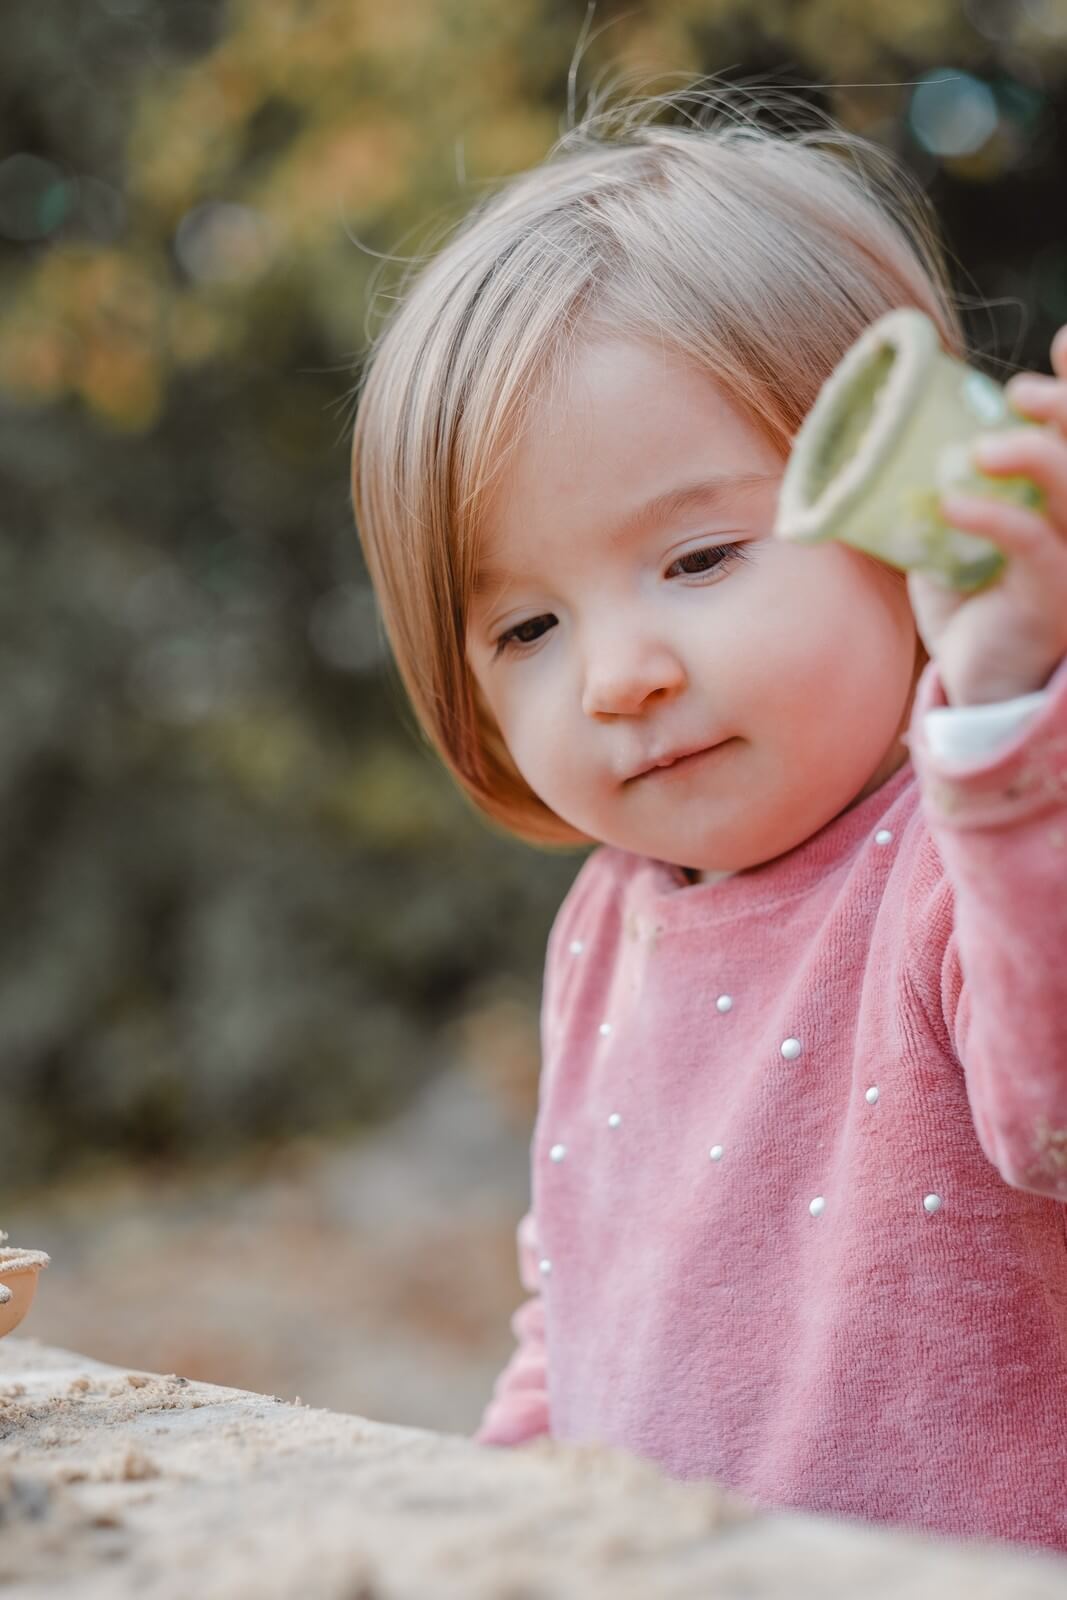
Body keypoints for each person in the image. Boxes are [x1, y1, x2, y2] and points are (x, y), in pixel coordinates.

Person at [348, 82, 1067, 1553]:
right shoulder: (606, 925)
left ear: (901, 509)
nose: (619, 675)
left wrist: (1008, 725)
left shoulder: (980, 849)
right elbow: (578, 1314)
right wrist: (486, 1523)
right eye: (528, 627)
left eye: (698, 558)